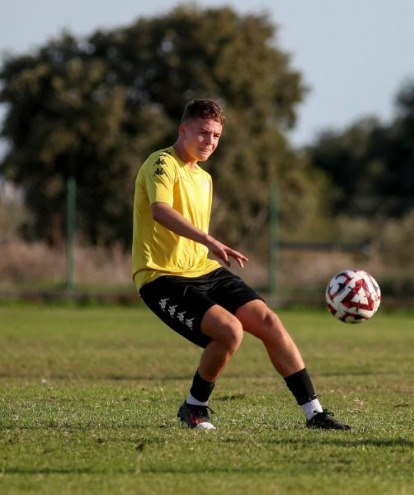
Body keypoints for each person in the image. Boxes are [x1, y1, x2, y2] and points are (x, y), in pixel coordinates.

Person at [132, 99, 350, 431]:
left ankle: (315, 413)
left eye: (216, 136)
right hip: (161, 276)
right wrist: (210, 241)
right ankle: (194, 407)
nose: (210, 142)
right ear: (183, 129)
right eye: (203, 133)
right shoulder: (162, 164)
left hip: (201, 269)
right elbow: (160, 211)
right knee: (230, 332)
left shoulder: (204, 179)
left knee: (268, 321)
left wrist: (205, 247)